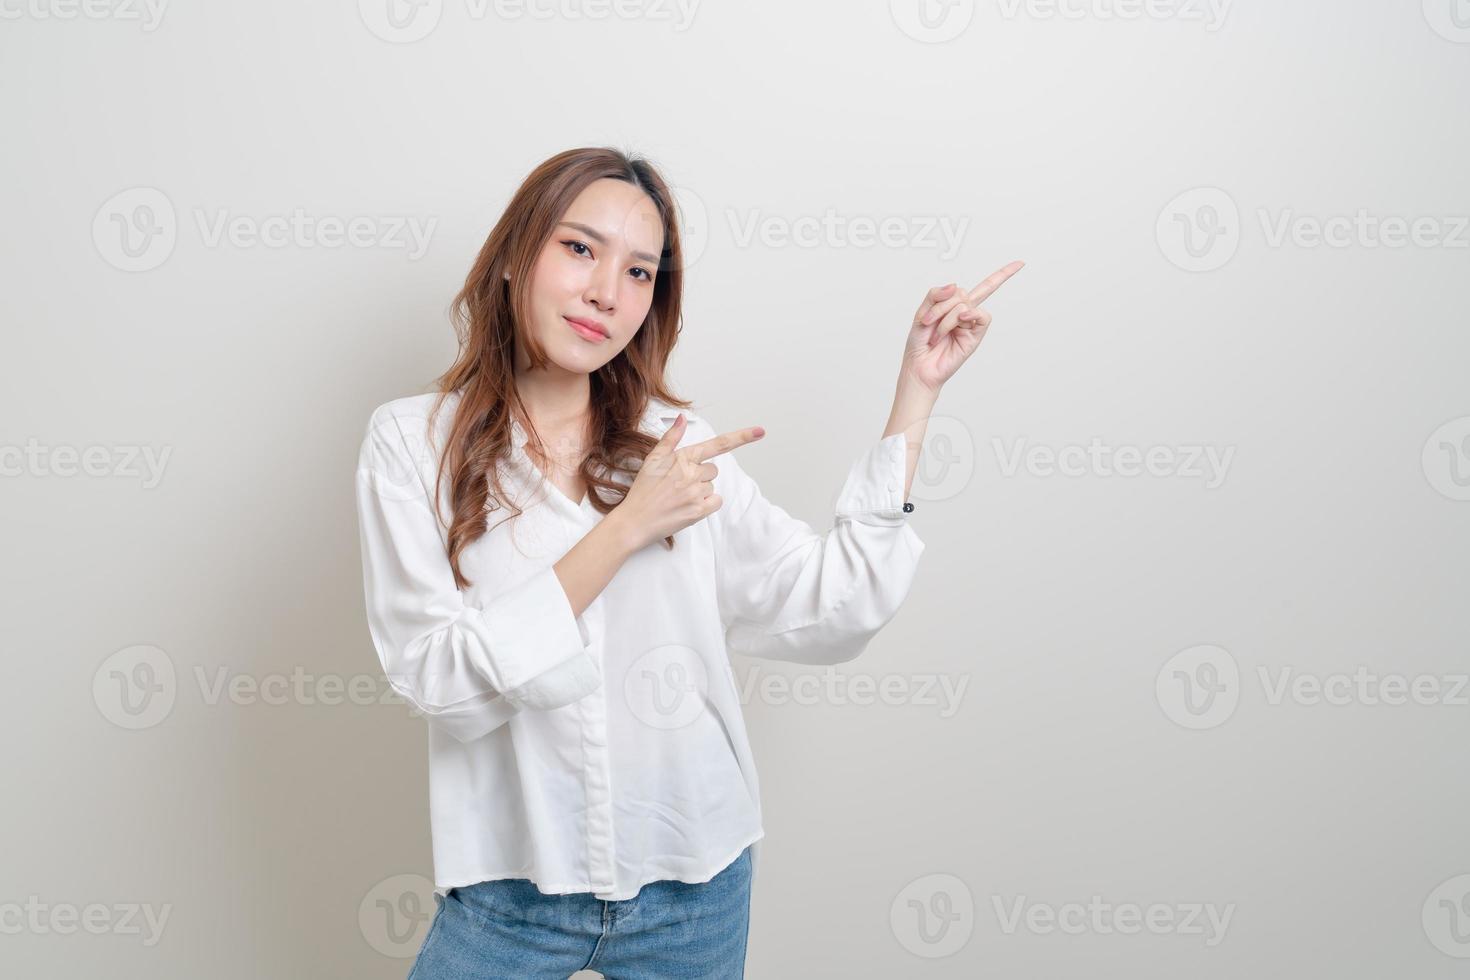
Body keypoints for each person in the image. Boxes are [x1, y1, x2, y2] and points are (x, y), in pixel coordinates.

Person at [354, 146, 1023, 978]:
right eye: (579, 249)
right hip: (509, 891)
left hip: (694, 887)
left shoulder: (680, 447)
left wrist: (915, 395)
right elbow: (437, 680)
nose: (607, 290)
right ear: (514, 256)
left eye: (641, 272)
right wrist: (625, 528)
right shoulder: (412, 443)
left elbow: (828, 607)